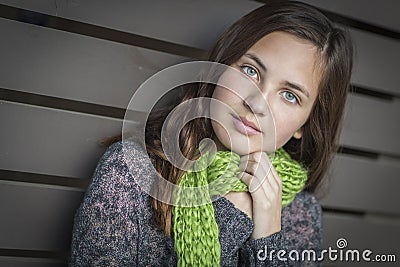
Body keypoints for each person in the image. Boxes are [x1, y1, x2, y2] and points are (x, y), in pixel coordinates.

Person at [69, 1, 353, 266]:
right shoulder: (130, 172)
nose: (256, 103)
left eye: (289, 95)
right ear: (220, 67)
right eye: (250, 71)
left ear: (305, 124)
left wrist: (268, 232)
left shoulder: (302, 213)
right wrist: (233, 214)